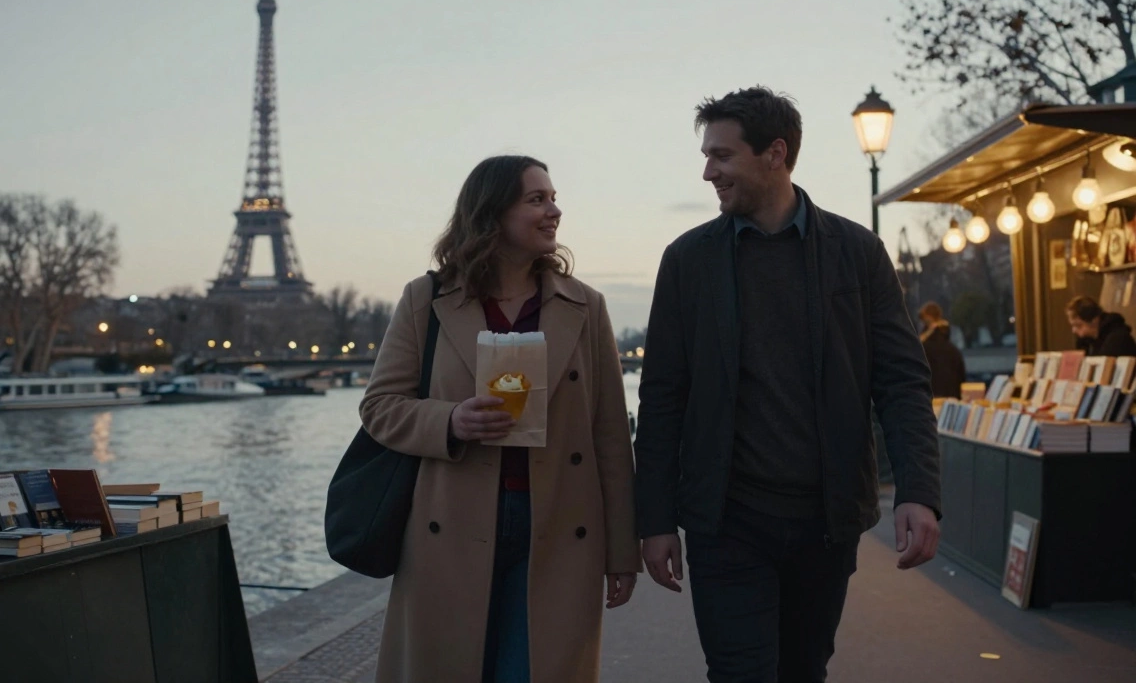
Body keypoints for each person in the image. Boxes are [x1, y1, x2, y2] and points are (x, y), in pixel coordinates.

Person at [633, 87, 942, 682]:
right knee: (740, 673)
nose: (708, 172)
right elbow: (663, 397)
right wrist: (654, 518)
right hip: (725, 521)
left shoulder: (857, 253)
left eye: (722, 156)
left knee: (804, 671)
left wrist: (918, 490)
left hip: (825, 521)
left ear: (775, 154)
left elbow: (902, 380)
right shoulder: (688, 261)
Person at [359, 155, 640, 683]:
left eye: (553, 198)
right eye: (537, 200)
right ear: (492, 214)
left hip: (560, 526)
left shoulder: (586, 307)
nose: (554, 211)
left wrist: (621, 551)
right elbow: (379, 407)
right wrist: (451, 422)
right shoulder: (427, 301)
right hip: (450, 528)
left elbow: (608, 436)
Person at [918, 301, 966, 399]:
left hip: (928, 403)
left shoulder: (922, 349)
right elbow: (961, 379)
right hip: (951, 404)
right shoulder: (954, 351)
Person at [1066, 295, 1136, 357]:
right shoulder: (1086, 342)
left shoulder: (1117, 339)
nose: (1074, 330)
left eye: (1078, 325)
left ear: (1093, 320)